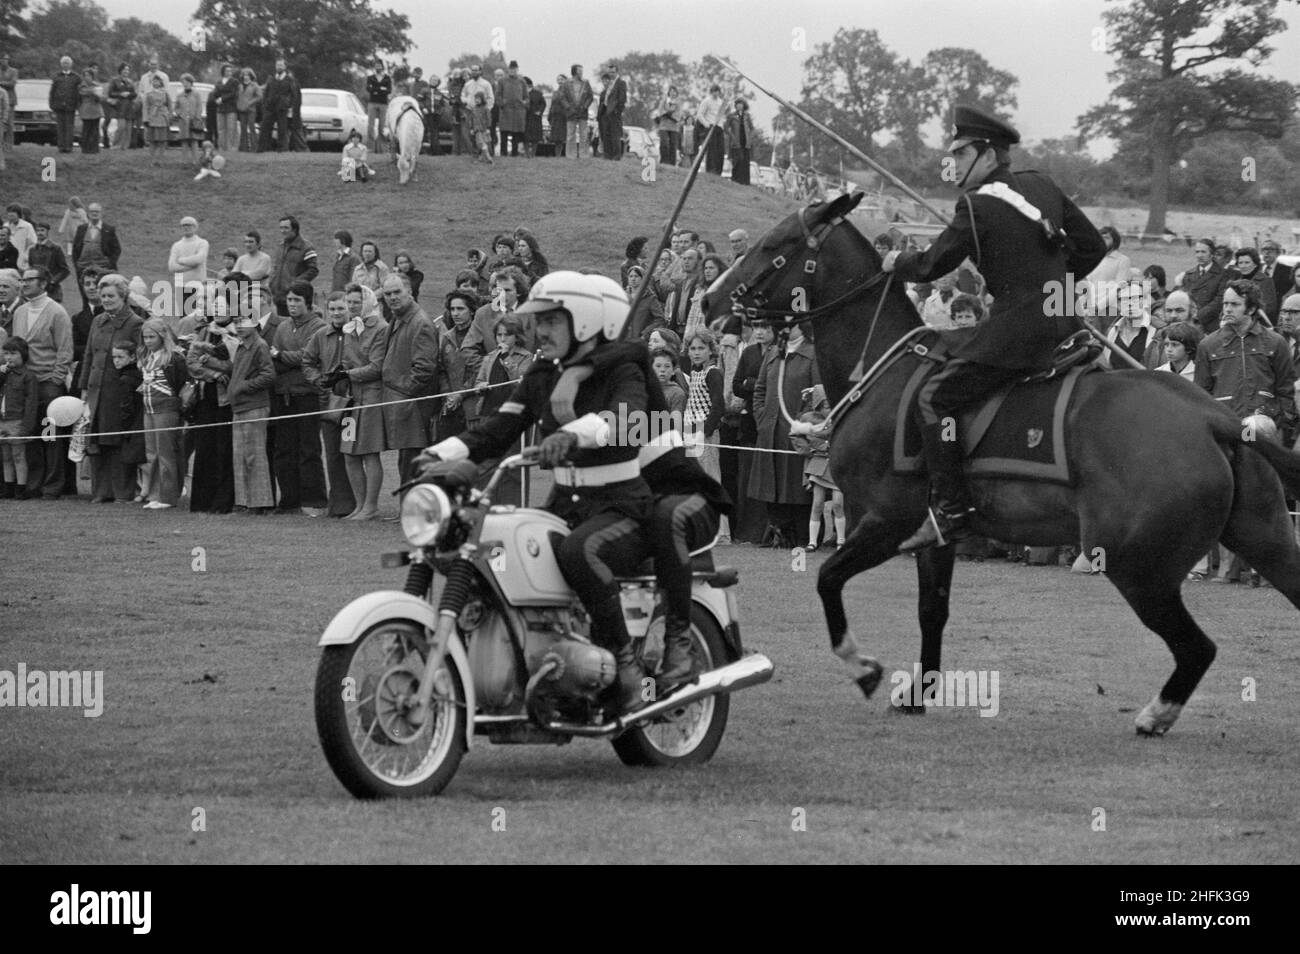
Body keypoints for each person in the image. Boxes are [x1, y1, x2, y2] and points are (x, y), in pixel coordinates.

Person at [416, 272, 654, 712]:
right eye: (538, 321)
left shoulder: (623, 370)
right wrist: (440, 451)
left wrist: (578, 434)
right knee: (498, 551)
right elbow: (498, 429)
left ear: (583, 321)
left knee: (580, 552)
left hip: (622, 506)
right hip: (563, 504)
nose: (539, 331)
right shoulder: (543, 374)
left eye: (550, 321)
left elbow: (628, 420)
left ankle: (625, 664)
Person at [881, 105, 1106, 550]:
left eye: (961, 153)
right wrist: (1052, 286)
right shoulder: (1042, 183)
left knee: (933, 398)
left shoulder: (976, 205)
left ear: (987, 154)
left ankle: (951, 511)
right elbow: (1092, 247)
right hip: (1067, 325)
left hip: (1019, 334)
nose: (953, 163)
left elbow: (932, 263)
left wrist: (894, 262)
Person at [1192, 280, 1294, 584]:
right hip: (1225, 431)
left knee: (1260, 497)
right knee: (1226, 498)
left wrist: (1270, 415)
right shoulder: (1208, 345)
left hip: (1262, 429)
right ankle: (1227, 570)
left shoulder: (1275, 344)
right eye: (1224, 304)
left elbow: (1286, 394)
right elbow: (1200, 396)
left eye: (1233, 304)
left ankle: (1265, 569)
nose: (1226, 310)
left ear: (1251, 307)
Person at [78, 273, 144, 503]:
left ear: (123, 297)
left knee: (117, 440)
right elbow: (88, 355)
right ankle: (100, 491)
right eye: (102, 295)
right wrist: (84, 387)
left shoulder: (135, 323)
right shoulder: (98, 321)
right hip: (97, 390)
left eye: (110, 295)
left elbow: (140, 358)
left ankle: (123, 492)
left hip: (120, 390)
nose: (105, 299)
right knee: (95, 440)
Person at [12, 266, 74, 499]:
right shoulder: (20, 311)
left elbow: (65, 349)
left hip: (48, 384)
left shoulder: (57, 312)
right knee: (30, 433)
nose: (24, 284)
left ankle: (53, 484)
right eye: (22, 279)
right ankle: (33, 483)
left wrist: (56, 379)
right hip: (25, 384)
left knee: (51, 434)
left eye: (29, 280)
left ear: (43, 283)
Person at [270, 281, 327, 515]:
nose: (292, 305)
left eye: (297, 301)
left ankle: (314, 500)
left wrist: (283, 355)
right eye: (290, 300)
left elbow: (309, 356)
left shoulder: (318, 326)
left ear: (308, 303)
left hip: (307, 395)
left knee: (309, 449)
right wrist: (283, 358)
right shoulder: (283, 327)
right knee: (284, 450)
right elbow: (272, 357)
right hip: (284, 394)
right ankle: (289, 500)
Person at [379, 272, 443, 480]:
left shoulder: (420, 322)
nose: (392, 297)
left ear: (410, 292)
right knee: (406, 463)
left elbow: (424, 369)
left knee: (413, 467)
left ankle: (413, 511)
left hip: (414, 407)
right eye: (388, 294)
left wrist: (402, 392)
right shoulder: (399, 319)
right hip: (403, 407)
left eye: (397, 292)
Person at [333, 284, 389, 519]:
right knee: (349, 453)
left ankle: (371, 506)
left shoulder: (381, 328)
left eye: (356, 301)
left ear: (366, 301)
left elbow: (377, 367)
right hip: (351, 399)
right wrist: (340, 372)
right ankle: (359, 505)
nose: (352, 306)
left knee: (369, 452)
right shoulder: (349, 328)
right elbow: (347, 360)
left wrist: (349, 374)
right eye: (350, 302)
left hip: (371, 397)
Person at [302, 292, 359, 518]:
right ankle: (339, 506)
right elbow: (307, 361)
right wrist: (318, 380)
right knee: (333, 453)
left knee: (351, 452)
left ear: (349, 309)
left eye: (341, 308)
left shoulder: (357, 332)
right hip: (329, 406)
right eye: (332, 309)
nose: (336, 313)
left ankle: (358, 503)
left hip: (354, 404)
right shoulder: (320, 335)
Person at [185, 299, 235, 513]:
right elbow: (192, 363)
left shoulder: (237, 332)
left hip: (228, 400)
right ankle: (202, 502)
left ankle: (223, 502)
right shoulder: (204, 332)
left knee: (224, 449)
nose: (218, 310)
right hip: (206, 397)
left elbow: (233, 366)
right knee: (205, 449)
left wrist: (209, 360)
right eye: (216, 306)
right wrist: (213, 373)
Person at [225, 307, 277, 514]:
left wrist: (243, 386)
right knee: (240, 455)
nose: (238, 325)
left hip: (254, 406)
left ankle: (259, 502)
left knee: (254, 455)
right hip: (239, 406)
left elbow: (268, 375)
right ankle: (246, 500)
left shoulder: (259, 345)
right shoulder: (241, 345)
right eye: (236, 321)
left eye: (243, 321)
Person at [137, 318, 188, 509]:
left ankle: (168, 496)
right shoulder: (147, 357)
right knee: (152, 453)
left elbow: (181, 383)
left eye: (152, 337)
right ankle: (154, 494)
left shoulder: (173, 358)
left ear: (162, 336)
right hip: (148, 409)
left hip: (166, 409)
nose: (148, 341)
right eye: (145, 337)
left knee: (166, 453)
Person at [789, 384, 845, 550]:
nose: (828, 409)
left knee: (838, 504)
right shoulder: (808, 418)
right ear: (818, 405)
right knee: (817, 503)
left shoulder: (841, 416)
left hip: (837, 464)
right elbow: (795, 434)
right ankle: (812, 542)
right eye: (825, 406)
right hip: (818, 464)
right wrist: (808, 450)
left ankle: (841, 541)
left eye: (830, 405)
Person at [0, 336, 40, 499]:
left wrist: (26, 427)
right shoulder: (3, 374)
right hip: (2, 420)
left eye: (13, 353)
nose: (9, 357)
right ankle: (8, 487)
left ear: (23, 355)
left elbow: (31, 404)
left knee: (18, 455)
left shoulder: (28, 377)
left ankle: (21, 487)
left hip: (17, 421)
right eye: (6, 353)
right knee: (6, 456)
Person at [683, 329, 723, 480]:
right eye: (693, 349)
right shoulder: (694, 371)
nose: (696, 353)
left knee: (709, 475)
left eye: (701, 348)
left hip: (705, 433)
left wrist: (705, 431)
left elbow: (718, 406)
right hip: (691, 429)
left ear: (711, 351)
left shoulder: (712, 373)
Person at [268, 216, 318, 315]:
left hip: (296, 297)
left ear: (294, 229)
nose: (282, 231)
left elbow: (313, 270)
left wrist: (295, 284)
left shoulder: (306, 247)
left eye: (286, 228)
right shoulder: (281, 246)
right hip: (280, 297)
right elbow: (276, 268)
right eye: (281, 228)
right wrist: (272, 282)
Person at [1181, 237, 1229, 336]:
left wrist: (1198, 316)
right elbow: (1184, 299)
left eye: (1203, 252)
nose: (1199, 255)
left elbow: (1220, 300)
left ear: (1212, 254)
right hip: (1190, 323)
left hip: (1211, 325)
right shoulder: (1189, 274)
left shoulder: (1223, 275)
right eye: (1197, 252)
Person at [167, 216, 210, 320]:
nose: (186, 227)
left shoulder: (202, 243)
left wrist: (181, 260)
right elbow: (172, 267)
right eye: (184, 225)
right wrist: (192, 265)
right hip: (181, 287)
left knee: (199, 317)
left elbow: (199, 259)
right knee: (184, 318)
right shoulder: (176, 245)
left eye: (189, 225)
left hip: (198, 286)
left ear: (195, 227)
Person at [27, 224, 71, 304]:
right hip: (36, 289)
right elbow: (31, 268)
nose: (40, 233)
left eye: (42, 230)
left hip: (51, 290)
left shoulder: (55, 248)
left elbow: (65, 270)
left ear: (47, 232)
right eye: (38, 230)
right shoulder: (32, 250)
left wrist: (53, 281)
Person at [259, 58, 297, 153]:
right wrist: (265, 103)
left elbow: (294, 95)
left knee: (282, 129)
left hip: (282, 108)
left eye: (281, 65)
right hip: (270, 107)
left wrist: (288, 104)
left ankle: (282, 149)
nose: (279, 67)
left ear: (285, 67)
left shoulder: (289, 79)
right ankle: (262, 148)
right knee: (265, 127)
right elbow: (266, 92)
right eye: (277, 65)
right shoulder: (271, 78)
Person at [50, 56, 80, 154]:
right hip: (59, 106)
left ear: (71, 64)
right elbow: (52, 92)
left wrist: (77, 105)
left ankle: (68, 147)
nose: (65, 65)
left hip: (70, 106)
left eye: (67, 63)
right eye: (64, 63)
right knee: (60, 127)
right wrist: (52, 104)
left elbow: (78, 92)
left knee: (69, 128)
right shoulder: (56, 76)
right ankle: (61, 147)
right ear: (61, 64)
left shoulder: (76, 77)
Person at [597, 66, 627, 160]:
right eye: (610, 72)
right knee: (606, 134)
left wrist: (617, 111)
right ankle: (607, 155)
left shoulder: (621, 83)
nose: (611, 74)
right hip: (605, 111)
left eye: (613, 72)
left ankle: (616, 156)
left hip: (614, 112)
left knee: (615, 134)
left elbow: (622, 98)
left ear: (617, 72)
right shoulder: (609, 83)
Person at [563, 64, 593, 159]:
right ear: (574, 71)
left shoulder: (586, 82)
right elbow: (562, 97)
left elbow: (590, 96)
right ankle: (571, 155)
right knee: (570, 134)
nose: (581, 72)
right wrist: (568, 107)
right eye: (580, 70)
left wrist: (585, 106)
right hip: (571, 112)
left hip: (582, 112)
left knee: (583, 134)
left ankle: (583, 155)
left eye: (582, 70)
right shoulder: (567, 83)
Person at [1261, 240, 1294, 319]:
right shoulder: (1256, 269)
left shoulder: (1288, 271)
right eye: (1264, 249)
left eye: (1270, 249)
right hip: (1258, 314)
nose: (1267, 252)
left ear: (1278, 253)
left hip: (1277, 314)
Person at [142, 74, 170, 165]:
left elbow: (170, 106)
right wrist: (146, 118)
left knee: (162, 140)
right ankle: (152, 160)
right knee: (152, 141)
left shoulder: (165, 93)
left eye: (157, 81)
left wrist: (169, 116)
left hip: (162, 118)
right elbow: (145, 107)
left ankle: (161, 159)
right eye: (153, 81)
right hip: (152, 118)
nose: (155, 83)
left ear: (161, 82)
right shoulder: (148, 94)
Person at [697, 85, 726, 175]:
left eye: (717, 91)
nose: (715, 93)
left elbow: (722, 116)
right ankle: (710, 170)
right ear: (711, 92)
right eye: (714, 91)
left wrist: (722, 125)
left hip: (719, 128)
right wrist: (706, 125)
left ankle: (718, 171)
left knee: (720, 150)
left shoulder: (721, 102)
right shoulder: (706, 101)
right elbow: (700, 115)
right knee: (711, 150)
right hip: (710, 127)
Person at [725, 99, 754, 185]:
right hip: (736, 141)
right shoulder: (731, 116)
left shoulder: (747, 116)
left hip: (745, 142)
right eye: (738, 104)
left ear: (744, 105)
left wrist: (750, 138)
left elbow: (752, 128)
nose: (739, 106)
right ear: (735, 106)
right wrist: (732, 136)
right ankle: (736, 179)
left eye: (741, 104)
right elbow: (726, 128)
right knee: (738, 160)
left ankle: (745, 181)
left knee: (745, 161)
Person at [365, 61, 392, 152]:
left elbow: (389, 90)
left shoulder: (387, 78)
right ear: (374, 67)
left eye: (379, 66)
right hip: (372, 102)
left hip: (383, 103)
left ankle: (382, 148)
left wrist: (376, 89)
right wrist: (381, 89)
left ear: (382, 67)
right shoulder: (370, 78)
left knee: (382, 126)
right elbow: (369, 88)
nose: (378, 67)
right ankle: (371, 147)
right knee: (370, 125)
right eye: (376, 66)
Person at [76, 68, 103, 156]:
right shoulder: (81, 86)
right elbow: (82, 93)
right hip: (86, 110)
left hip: (95, 110)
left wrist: (96, 94)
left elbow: (100, 97)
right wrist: (93, 91)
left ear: (92, 76)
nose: (87, 77)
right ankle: (85, 148)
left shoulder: (97, 85)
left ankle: (94, 148)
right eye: (85, 76)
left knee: (95, 130)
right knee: (86, 130)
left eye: (89, 75)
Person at [236, 68, 262, 152]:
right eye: (244, 75)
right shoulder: (239, 86)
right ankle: (244, 148)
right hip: (241, 110)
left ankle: (254, 148)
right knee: (243, 129)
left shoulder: (254, 85)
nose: (245, 77)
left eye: (247, 75)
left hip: (251, 110)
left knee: (251, 128)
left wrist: (251, 102)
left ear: (251, 76)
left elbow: (259, 96)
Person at [468, 90, 493, 164]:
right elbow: (471, 119)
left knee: (482, 143)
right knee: (480, 144)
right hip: (476, 129)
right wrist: (471, 128)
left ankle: (488, 157)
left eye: (478, 99)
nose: (476, 100)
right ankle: (482, 158)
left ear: (482, 99)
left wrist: (488, 128)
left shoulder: (486, 109)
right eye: (475, 99)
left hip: (484, 129)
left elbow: (489, 118)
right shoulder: (474, 109)